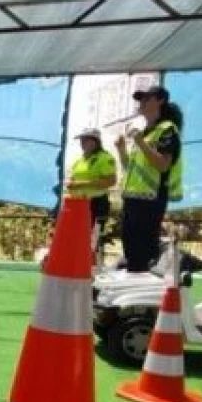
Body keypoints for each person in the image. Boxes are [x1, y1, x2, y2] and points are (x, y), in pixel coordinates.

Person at [115, 85, 184, 273]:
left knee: (143, 250)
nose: (142, 103)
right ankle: (133, 281)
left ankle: (144, 287)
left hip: (151, 199)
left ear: (160, 100)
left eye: (147, 98)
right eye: (140, 99)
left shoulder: (167, 130)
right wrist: (121, 150)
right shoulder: (145, 132)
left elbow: (163, 165)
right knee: (129, 246)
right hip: (132, 198)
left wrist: (141, 143)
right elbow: (131, 168)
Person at [67, 128, 118, 253]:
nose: (82, 143)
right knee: (78, 236)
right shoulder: (79, 161)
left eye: (85, 140)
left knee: (94, 237)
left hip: (97, 203)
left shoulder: (104, 158)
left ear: (95, 141)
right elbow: (72, 179)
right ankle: (78, 263)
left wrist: (82, 184)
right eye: (81, 140)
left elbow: (111, 181)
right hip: (78, 204)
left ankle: (93, 265)